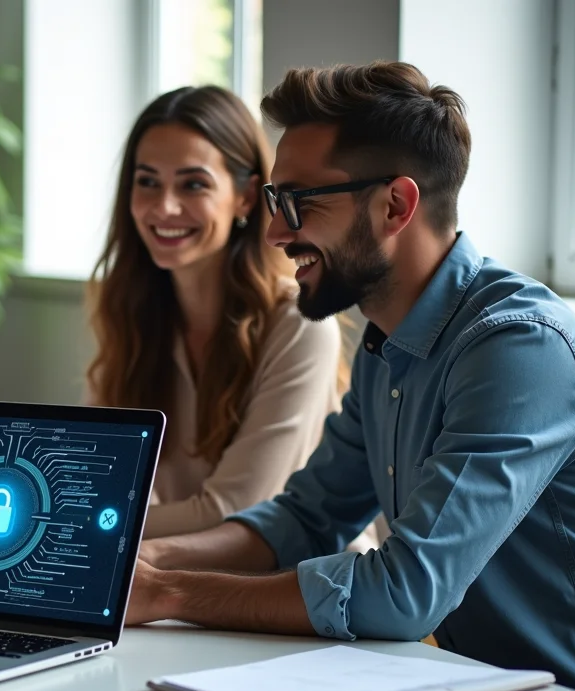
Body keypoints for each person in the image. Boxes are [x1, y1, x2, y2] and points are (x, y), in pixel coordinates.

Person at [125, 61, 575, 691]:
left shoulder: (518, 346)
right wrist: (139, 564)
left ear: (395, 205)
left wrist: (169, 593)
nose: (276, 231)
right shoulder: (385, 341)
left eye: (299, 203)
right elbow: (303, 521)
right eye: (277, 201)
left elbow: (404, 593)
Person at [85, 85, 381, 550]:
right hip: (185, 580)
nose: (164, 207)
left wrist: (79, 522)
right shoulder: (135, 315)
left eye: (193, 184)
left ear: (245, 197)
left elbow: (232, 510)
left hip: (303, 595)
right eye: (147, 181)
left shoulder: (299, 324)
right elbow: (100, 479)